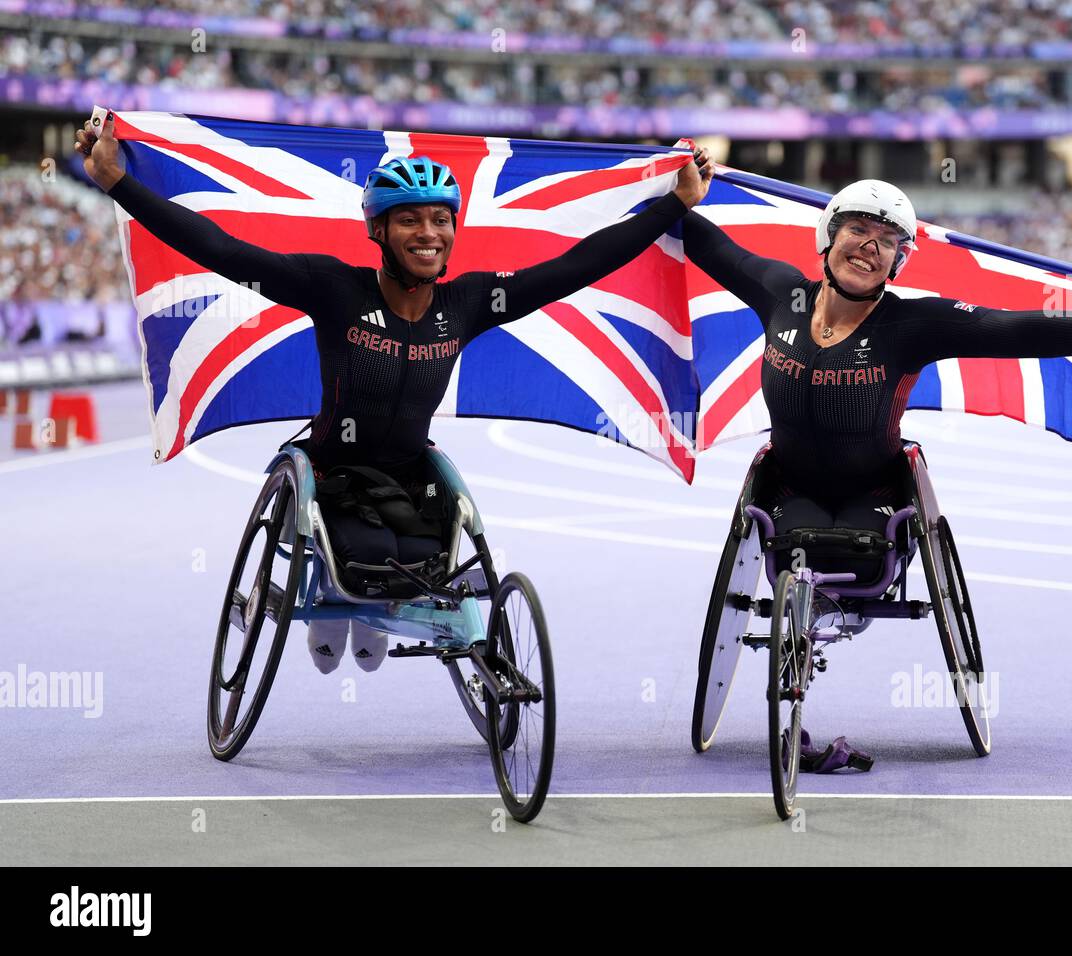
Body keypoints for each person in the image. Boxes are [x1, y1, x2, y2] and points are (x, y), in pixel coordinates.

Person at [77, 113, 715, 671]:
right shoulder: (332, 288)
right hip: (333, 471)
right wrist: (117, 181)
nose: (428, 233)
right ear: (377, 231)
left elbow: (574, 267)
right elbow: (219, 247)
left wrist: (675, 204)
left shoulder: (469, 302)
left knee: (422, 562)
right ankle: (336, 603)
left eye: (440, 219)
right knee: (371, 556)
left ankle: (367, 607)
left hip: (412, 477)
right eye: (408, 220)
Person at [682, 162, 1072, 580]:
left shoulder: (914, 324)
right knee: (794, 550)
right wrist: (678, 189)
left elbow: (1024, 329)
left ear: (898, 262)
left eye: (885, 241)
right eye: (858, 230)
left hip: (875, 498)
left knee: (855, 557)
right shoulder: (782, 294)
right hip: (789, 490)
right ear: (828, 235)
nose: (868, 247)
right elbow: (706, 242)